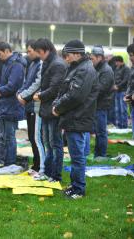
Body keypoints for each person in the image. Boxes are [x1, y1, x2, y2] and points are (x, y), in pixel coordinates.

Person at [52, 40, 98, 199]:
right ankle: (75, 185)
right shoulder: (76, 67)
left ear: (78, 53)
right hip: (74, 118)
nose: (66, 57)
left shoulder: (85, 69)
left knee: (78, 158)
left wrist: (58, 108)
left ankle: (79, 189)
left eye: (68, 54)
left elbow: (76, 96)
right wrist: (57, 103)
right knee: (75, 157)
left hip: (78, 119)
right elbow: (64, 90)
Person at [32, 38, 67, 182]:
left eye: (39, 52)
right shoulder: (47, 62)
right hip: (46, 109)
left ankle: (56, 175)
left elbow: (55, 88)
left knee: (55, 144)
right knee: (47, 143)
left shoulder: (57, 64)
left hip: (53, 109)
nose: (38, 55)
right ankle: (47, 172)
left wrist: (40, 95)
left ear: (47, 50)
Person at [0, 42, 25, 167]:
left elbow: (13, 85)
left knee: (9, 136)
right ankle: (4, 161)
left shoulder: (16, 65)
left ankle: (10, 162)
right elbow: (4, 83)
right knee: (4, 135)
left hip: (12, 105)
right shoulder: (7, 64)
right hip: (5, 104)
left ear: (6, 51)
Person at [17, 39, 45, 174]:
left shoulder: (40, 64)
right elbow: (26, 82)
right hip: (29, 105)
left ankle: (40, 167)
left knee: (36, 137)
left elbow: (37, 84)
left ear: (37, 51)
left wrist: (24, 96)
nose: (27, 54)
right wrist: (20, 94)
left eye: (29, 51)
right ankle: (36, 164)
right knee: (31, 136)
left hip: (36, 105)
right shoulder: (31, 64)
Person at [90, 45, 114, 159]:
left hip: (101, 104)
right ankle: (97, 154)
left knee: (101, 131)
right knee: (98, 131)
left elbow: (101, 89)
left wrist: (88, 94)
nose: (91, 61)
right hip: (96, 104)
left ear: (100, 57)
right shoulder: (98, 68)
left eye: (92, 58)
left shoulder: (106, 70)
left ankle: (102, 154)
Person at [113, 55, 130, 128]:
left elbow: (126, 80)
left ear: (120, 61)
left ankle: (124, 126)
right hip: (116, 91)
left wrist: (118, 86)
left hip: (123, 91)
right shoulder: (117, 68)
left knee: (123, 109)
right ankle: (118, 125)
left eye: (116, 62)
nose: (116, 64)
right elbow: (115, 78)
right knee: (117, 109)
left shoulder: (126, 69)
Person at [124, 44, 134, 139]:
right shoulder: (132, 68)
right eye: (129, 55)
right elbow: (130, 84)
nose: (130, 58)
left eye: (131, 55)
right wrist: (127, 95)